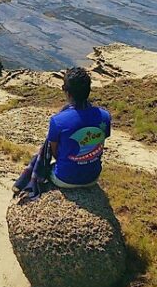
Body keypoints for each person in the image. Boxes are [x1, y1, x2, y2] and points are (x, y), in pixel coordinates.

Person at [14, 67, 111, 196]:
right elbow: (101, 143)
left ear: (68, 93)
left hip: (64, 179)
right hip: (93, 177)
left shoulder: (58, 120)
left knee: (44, 161)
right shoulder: (105, 116)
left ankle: (26, 180)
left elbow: (55, 152)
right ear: (88, 90)